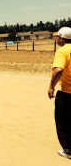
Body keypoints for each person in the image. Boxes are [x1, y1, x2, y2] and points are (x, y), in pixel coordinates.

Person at [48, 27, 71, 159]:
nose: (56, 38)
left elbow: (58, 70)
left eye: (57, 36)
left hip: (67, 93)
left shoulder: (63, 51)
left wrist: (51, 86)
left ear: (62, 38)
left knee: (63, 122)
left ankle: (68, 150)